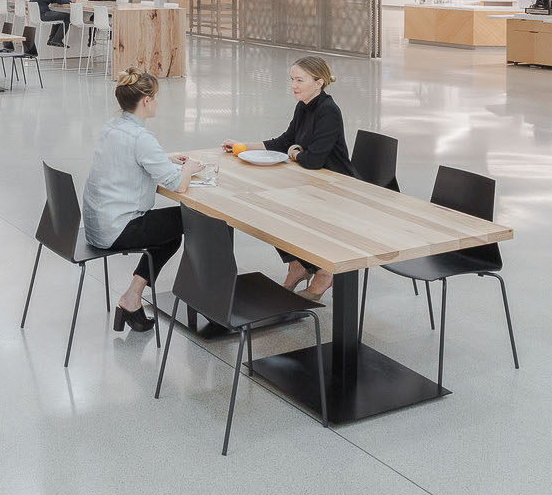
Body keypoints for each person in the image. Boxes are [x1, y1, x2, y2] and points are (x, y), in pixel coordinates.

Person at [223, 56, 352, 297]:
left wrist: (294, 153)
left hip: (336, 187)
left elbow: (312, 160)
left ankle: (324, 273)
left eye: (299, 80)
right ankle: (298, 265)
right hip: (311, 181)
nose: (293, 85)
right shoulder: (303, 105)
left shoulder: (328, 111)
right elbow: (285, 141)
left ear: (319, 82)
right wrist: (244, 146)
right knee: (268, 209)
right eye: (292, 79)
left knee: (282, 211)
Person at [82, 68, 192, 333]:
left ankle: (132, 297)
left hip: (97, 224)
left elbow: (129, 160)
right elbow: (178, 185)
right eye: (155, 97)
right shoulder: (142, 137)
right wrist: (192, 167)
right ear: (146, 101)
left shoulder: (112, 127)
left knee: (170, 235)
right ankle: (205, 296)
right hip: (118, 228)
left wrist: (165, 159)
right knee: (190, 218)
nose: (157, 102)